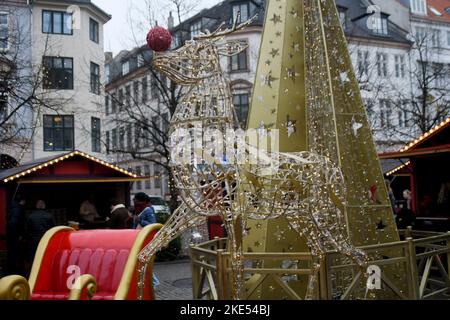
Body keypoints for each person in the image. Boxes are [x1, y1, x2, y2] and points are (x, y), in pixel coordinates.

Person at [6, 194, 26, 275]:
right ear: (22, 201)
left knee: (12, 255)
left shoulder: (12, 208)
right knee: (17, 255)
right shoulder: (18, 209)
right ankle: (17, 273)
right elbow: (13, 223)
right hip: (15, 237)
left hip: (11, 237)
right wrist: (18, 235)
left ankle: (12, 272)